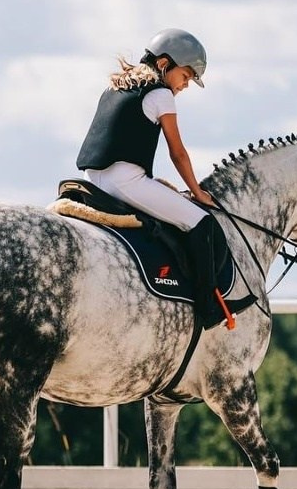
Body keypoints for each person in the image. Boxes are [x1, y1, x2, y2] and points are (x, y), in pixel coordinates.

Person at [76, 28, 255, 330]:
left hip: (91, 179)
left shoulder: (114, 88)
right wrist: (197, 192)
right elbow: (178, 154)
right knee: (202, 223)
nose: (185, 85)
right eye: (185, 76)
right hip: (125, 181)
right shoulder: (160, 94)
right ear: (163, 64)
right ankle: (208, 308)